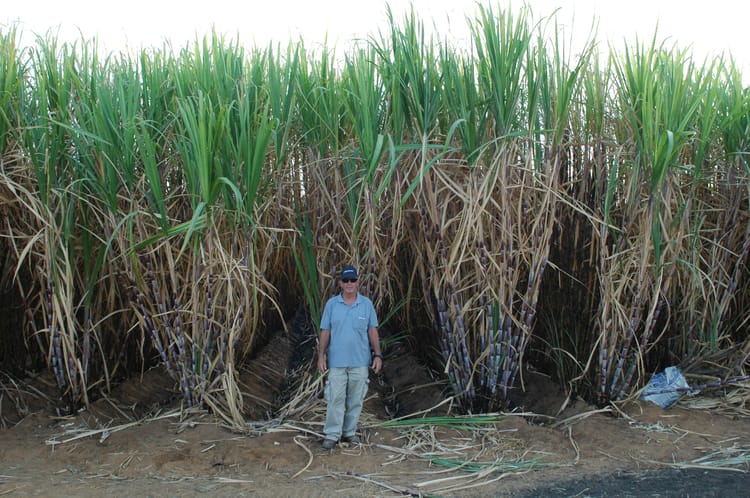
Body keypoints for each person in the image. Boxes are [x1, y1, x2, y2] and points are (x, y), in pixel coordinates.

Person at [317, 265, 383, 450]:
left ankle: (349, 433)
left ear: (358, 281)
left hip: (360, 361)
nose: (349, 284)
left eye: (352, 280)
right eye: (345, 281)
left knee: (355, 399)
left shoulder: (366, 304)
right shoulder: (332, 305)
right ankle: (332, 435)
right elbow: (325, 331)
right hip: (337, 361)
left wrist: (377, 355)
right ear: (340, 283)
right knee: (335, 398)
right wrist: (321, 356)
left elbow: (372, 330)